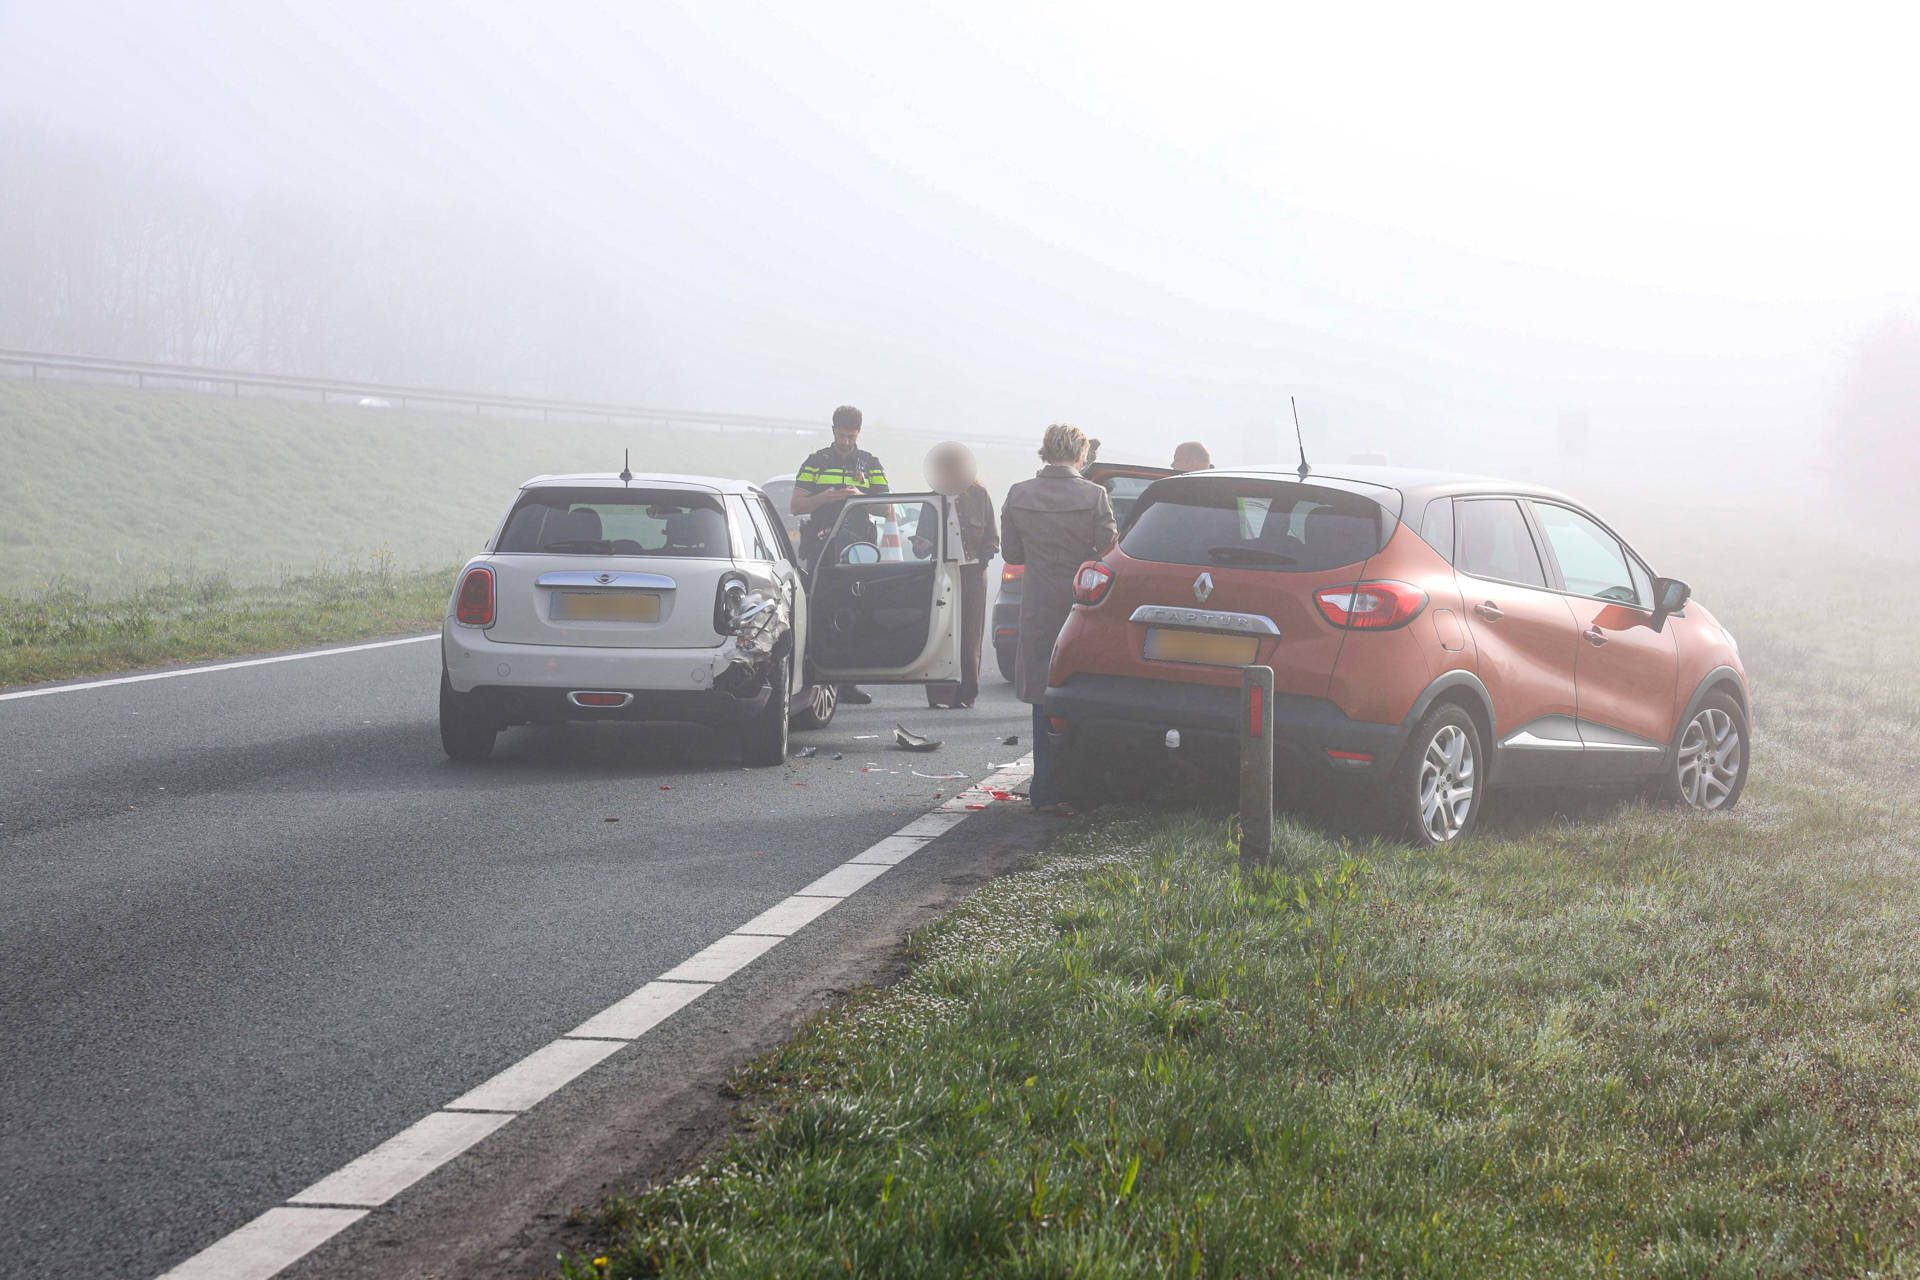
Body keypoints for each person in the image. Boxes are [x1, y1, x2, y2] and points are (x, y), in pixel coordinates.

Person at [1001, 424, 1116, 811]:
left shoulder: (1019, 494)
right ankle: (1078, 784)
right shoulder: (1095, 495)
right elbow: (1109, 548)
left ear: (1044, 451)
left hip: (1037, 605)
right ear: (1081, 455)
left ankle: (1044, 786)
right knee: (1078, 692)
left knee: (1041, 696)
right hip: (1082, 606)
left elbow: (1012, 554)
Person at [791, 405, 889, 703]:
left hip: (858, 551)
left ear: (858, 433)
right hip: (823, 549)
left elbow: (885, 508)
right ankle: (815, 677)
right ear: (833, 430)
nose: (846, 441)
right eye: (841, 435)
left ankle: (847, 683)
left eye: (851, 435)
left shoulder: (870, 463)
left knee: (856, 614)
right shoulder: (816, 462)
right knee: (819, 612)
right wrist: (824, 498)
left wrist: (860, 499)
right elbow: (796, 505)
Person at [923, 442, 998, 710]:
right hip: (942, 574)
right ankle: (940, 695)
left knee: (969, 635)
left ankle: (967, 694)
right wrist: (922, 545)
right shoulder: (932, 498)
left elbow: (992, 538)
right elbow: (923, 541)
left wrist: (981, 562)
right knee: (940, 633)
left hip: (972, 574)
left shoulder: (979, 495)